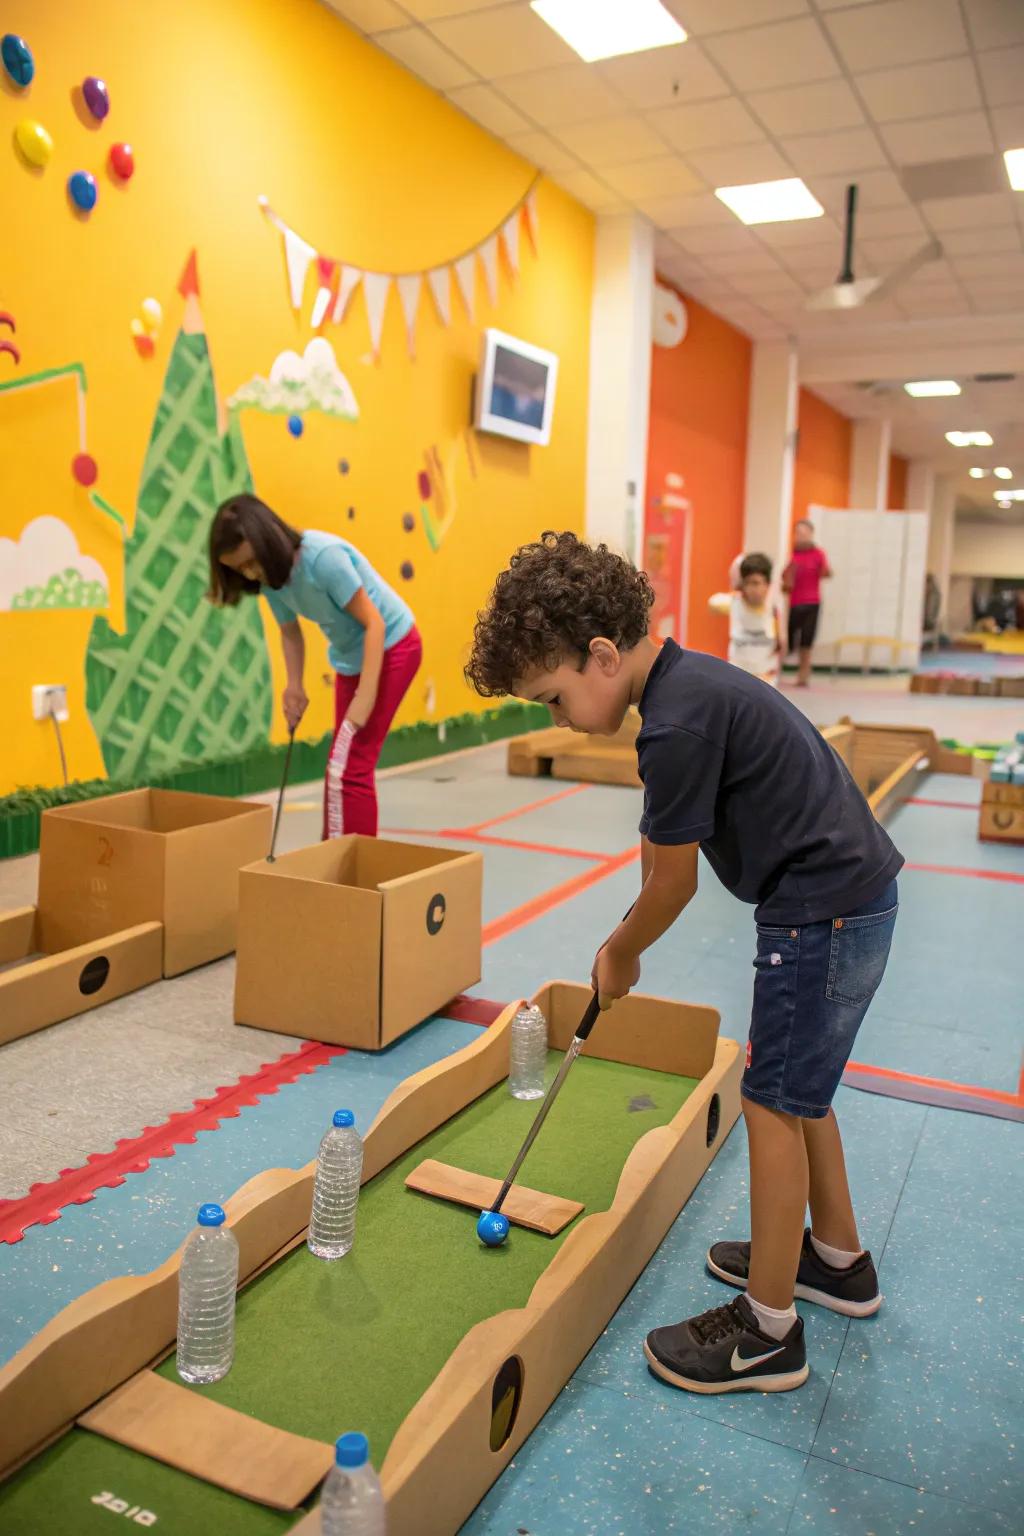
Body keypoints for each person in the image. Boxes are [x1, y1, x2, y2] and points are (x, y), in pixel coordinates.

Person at [465, 531, 901, 1396]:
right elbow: (656, 844)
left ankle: (767, 1331)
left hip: (820, 914)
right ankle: (837, 1261)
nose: (554, 719)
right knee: (802, 1092)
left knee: (771, 1102)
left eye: (552, 698)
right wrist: (625, 934)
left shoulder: (674, 725)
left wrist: (618, 951)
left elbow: (674, 884)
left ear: (600, 655)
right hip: (850, 902)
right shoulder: (685, 687)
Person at [209, 494, 421, 838]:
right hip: (353, 658)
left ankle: (354, 873)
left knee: (352, 769)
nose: (251, 573)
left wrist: (365, 697)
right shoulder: (271, 582)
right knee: (337, 769)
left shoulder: (323, 559)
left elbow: (374, 623)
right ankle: (331, 856)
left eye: (251, 562)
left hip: (393, 645)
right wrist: (294, 685)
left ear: (268, 538)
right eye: (241, 569)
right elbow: (290, 633)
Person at [708, 552, 781, 685]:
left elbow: (780, 645)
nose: (753, 589)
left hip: (766, 680)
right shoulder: (734, 603)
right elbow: (712, 603)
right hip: (738, 678)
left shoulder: (774, 609)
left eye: (757, 583)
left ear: (767, 584)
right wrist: (735, 584)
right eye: (748, 583)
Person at [782, 519, 832, 688]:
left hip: (812, 602)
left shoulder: (818, 554)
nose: (800, 536)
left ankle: (803, 675)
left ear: (811, 534)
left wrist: (823, 569)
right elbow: (786, 580)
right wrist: (788, 576)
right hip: (795, 602)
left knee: (806, 640)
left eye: (804, 533)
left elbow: (827, 573)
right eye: (798, 533)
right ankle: (779, 669)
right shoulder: (793, 555)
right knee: (790, 639)